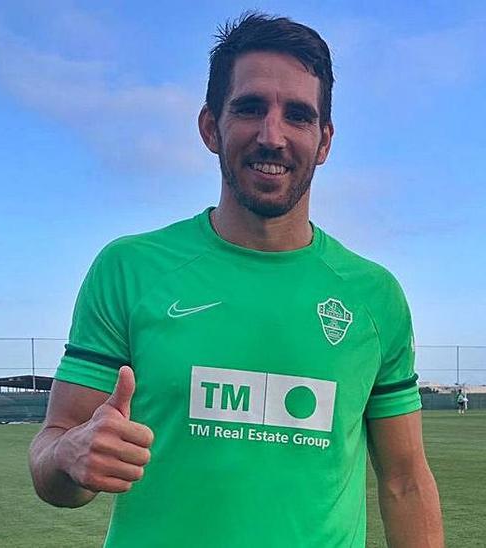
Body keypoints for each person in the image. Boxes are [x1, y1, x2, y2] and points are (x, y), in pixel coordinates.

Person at [27, 12, 444, 547]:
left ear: (324, 142)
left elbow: (406, 482)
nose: (272, 136)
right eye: (250, 109)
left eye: (298, 115)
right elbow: (52, 459)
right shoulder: (130, 269)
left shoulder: (373, 297)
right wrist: (70, 454)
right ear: (210, 127)